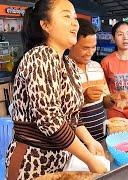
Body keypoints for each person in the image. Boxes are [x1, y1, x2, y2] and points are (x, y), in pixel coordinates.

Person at [6, 1, 107, 179]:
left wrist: (90, 141)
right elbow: (50, 119)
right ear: (45, 25)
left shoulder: (68, 64)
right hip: (32, 165)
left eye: (75, 17)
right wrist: (89, 159)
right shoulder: (39, 57)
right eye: (67, 16)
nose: (75, 23)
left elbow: (72, 117)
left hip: (60, 163)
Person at [69, 18, 113, 142]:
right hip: (76, 144)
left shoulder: (97, 67)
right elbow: (59, 112)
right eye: (85, 48)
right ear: (71, 44)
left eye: (93, 47)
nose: (90, 52)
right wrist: (83, 98)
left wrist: (114, 99)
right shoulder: (62, 70)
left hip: (101, 137)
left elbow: (105, 102)